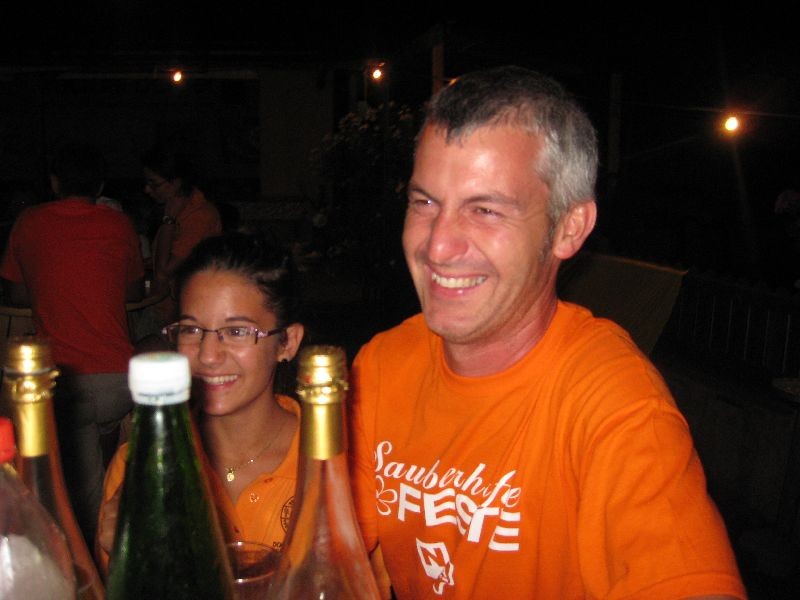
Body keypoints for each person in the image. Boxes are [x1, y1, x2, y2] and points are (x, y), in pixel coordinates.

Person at [348, 66, 747, 599]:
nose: (437, 246)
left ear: (568, 228)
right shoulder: (382, 365)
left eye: (485, 210)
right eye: (425, 203)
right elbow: (331, 553)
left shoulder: (617, 405)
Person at [95, 231, 304, 575]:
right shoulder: (141, 464)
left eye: (237, 331)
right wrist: (127, 557)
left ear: (287, 342)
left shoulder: (333, 463)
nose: (207, 356)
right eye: (191, 330)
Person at [0, 141, 145, 547]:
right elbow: (134, 290)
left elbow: (15, 295)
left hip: (63, 385)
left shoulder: (29, 222)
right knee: (100, 452)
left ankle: (87, 552)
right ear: (99, 185)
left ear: (54, 182)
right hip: (118, 380)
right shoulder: (119, 224)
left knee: (81, 492)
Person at [142, 142, 222, 326]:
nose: (147, 190)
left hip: (181, 315)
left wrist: (168, 220)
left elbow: (164, 271)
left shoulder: (199, 216)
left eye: (154, 184)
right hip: (164, 307)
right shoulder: (179, 210)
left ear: (176, 183)